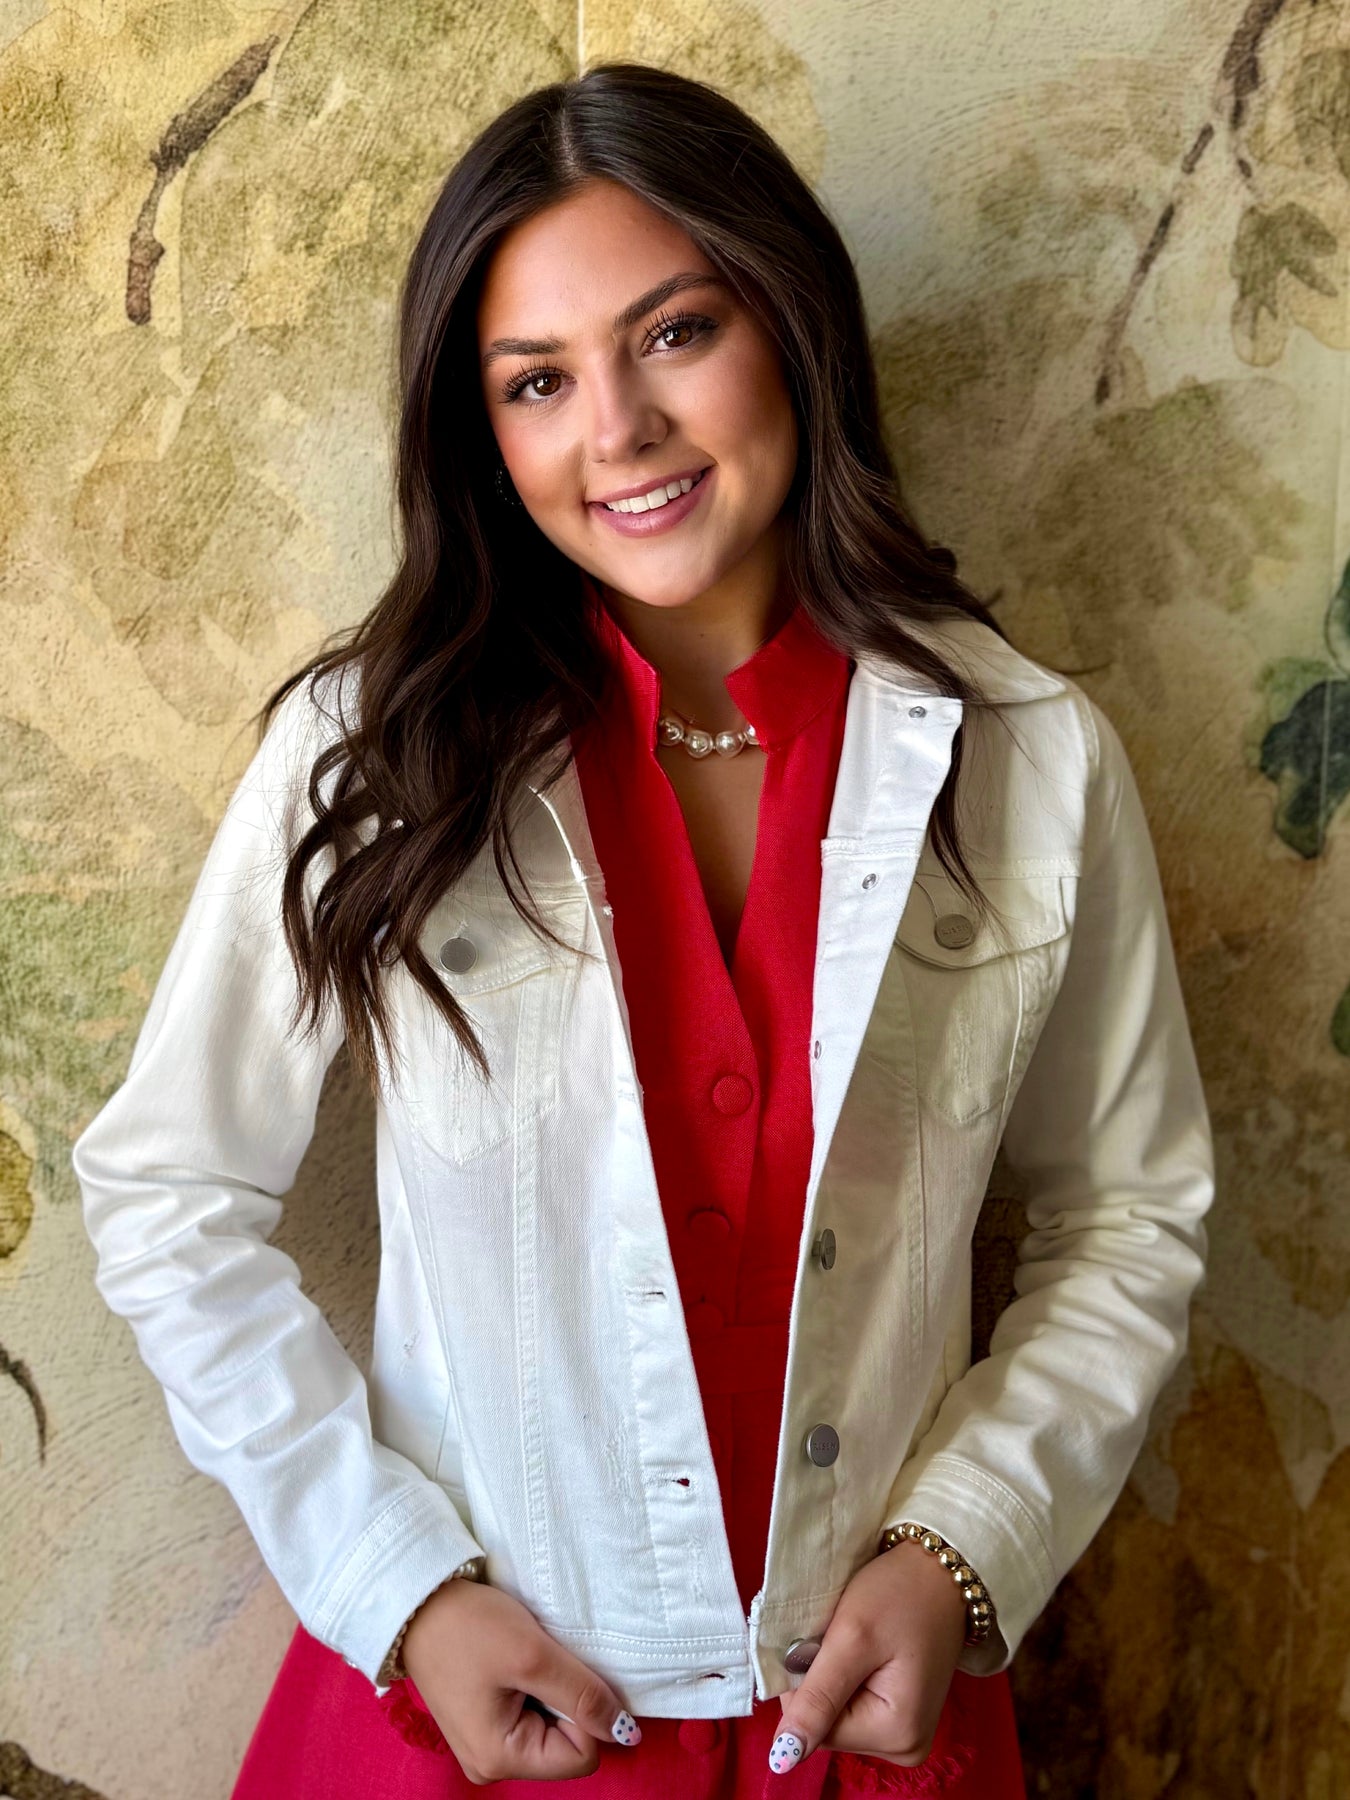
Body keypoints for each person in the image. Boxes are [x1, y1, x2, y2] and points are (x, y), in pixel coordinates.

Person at [71, 60, 1214, 1798]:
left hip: (868, 1716)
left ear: (791, 327)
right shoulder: (365, 759)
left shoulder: (1030, 757)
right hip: (475, 1722)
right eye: (536, 381)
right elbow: (166, 1193)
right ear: (482, 433)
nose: (615, 429)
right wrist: (399, 1589)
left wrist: (964, 1545)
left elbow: (1127, 1215)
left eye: (674, 333)